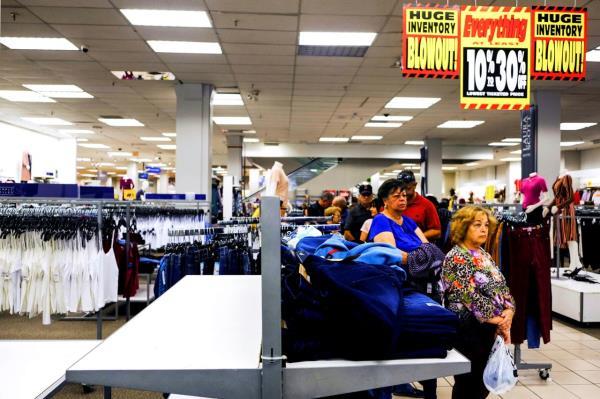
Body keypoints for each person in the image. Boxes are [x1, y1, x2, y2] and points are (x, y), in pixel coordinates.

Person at [443, 206, 515, 399]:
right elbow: (468, 296)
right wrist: (499, 320)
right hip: (468, 330)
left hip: (488, 328)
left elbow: (501, 284)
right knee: (468, 383)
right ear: (463, 227)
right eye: (477, 225)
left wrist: (509, 310)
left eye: (485, 225)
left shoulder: (482, 254)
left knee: (481, 384)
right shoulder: (457, 257)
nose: (484, 229)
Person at [368, 179, 430, 399]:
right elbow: (394, 256)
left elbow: (428, 249)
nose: (402, 198)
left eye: (404, 195)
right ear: (385, 200)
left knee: (408, 334)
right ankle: (386, 386)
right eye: (396, 195)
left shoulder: (408, 222)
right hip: (392, 286)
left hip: (415, 283)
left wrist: (416, 257)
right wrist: (421, 258)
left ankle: (400, 382)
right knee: (392, 334)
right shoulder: (380, 222)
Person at [397, 170, 441, 241]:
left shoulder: (427, 205)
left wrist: (415, 238)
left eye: (408, 188)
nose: (404, 192)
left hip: (418, 245)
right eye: (402, 189)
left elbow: (436, 231)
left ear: (415, 185)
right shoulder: (395, 203)